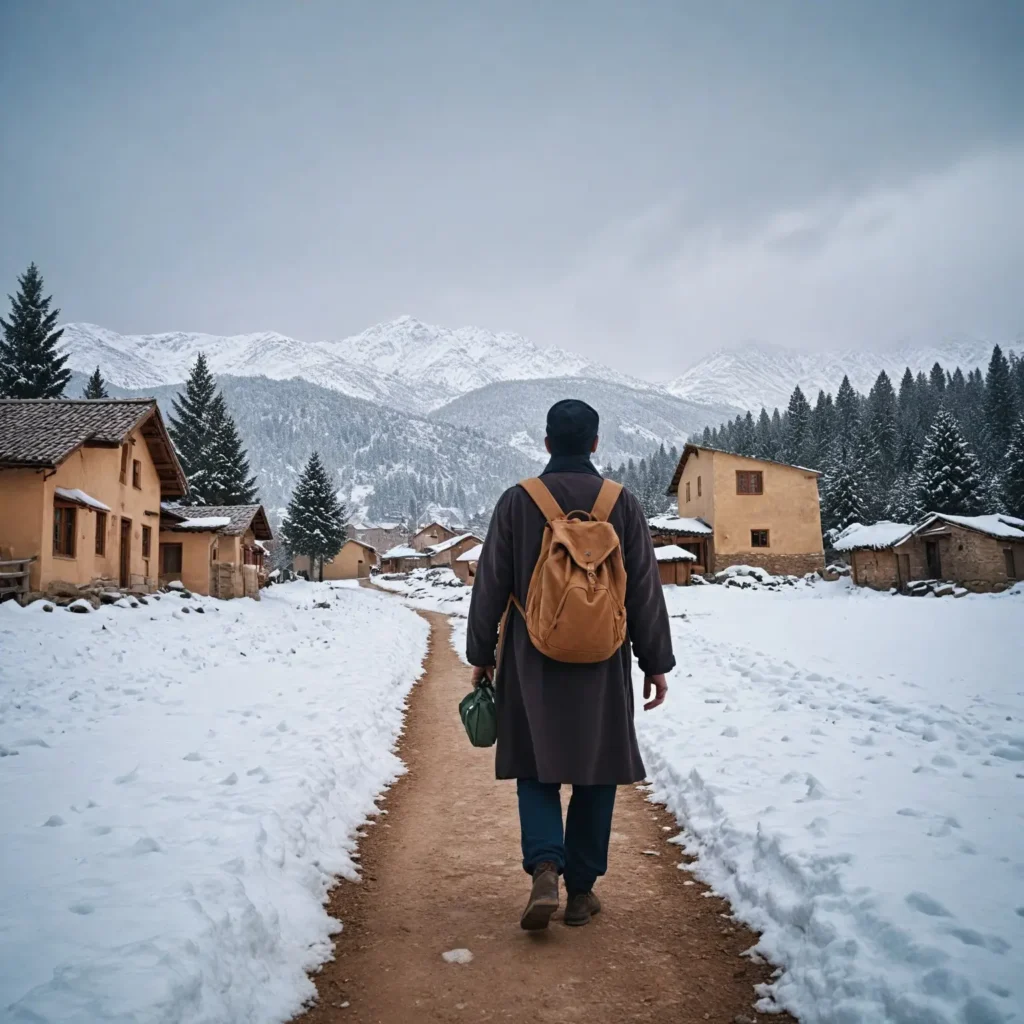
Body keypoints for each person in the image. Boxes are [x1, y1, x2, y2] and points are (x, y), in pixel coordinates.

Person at [466, 398, 675, 930]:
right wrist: (655, 662)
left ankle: (544, 867)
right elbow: (645, 589)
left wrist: (481, 657)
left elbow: (489, 585)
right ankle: (581, 891)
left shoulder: (518, 502)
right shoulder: (621, 504)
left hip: (528, 658)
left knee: (536, 768)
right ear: (596, 444)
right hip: (603, 661)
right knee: (596, 770)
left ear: (546, 443)